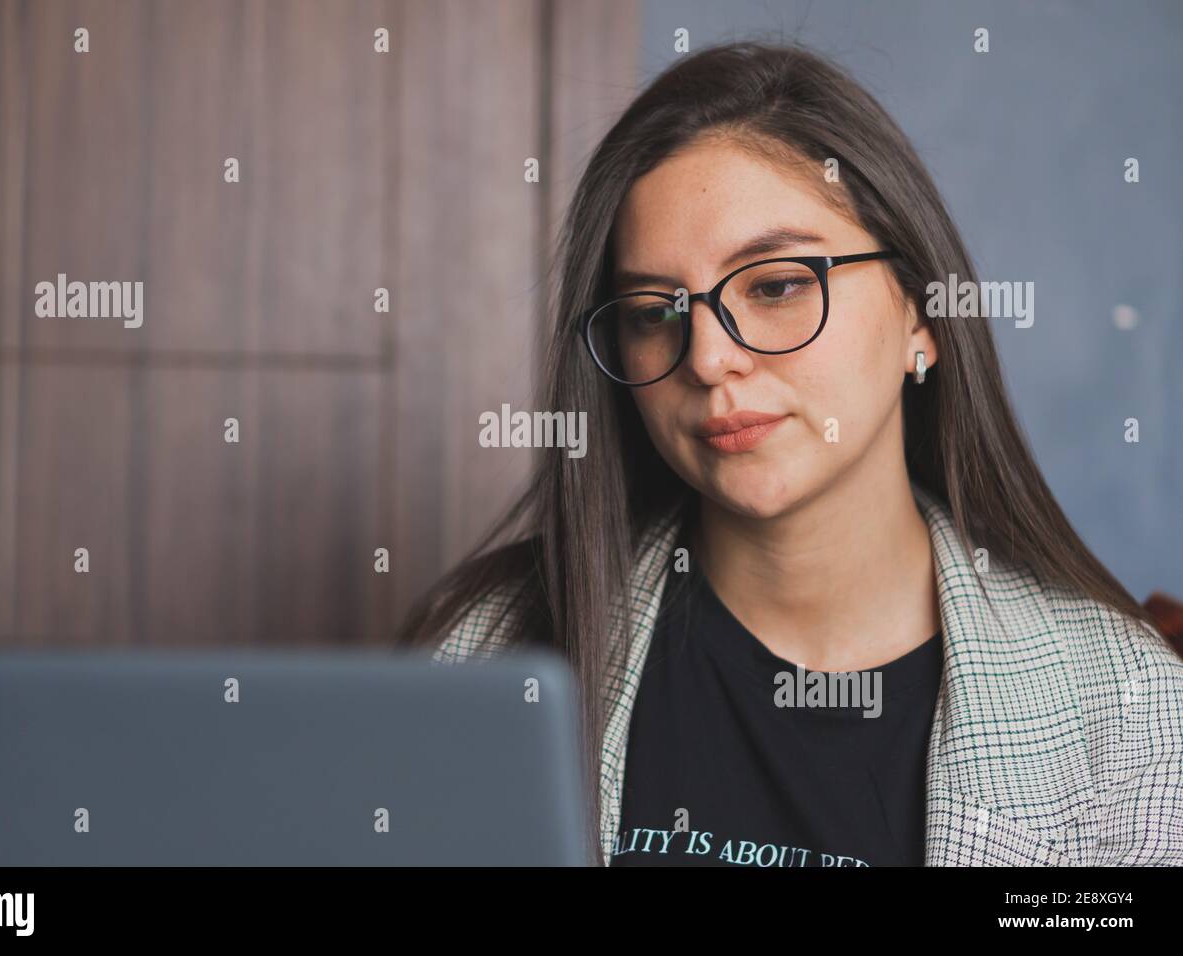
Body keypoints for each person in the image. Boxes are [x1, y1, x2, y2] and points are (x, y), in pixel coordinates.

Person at [396, 40, 1183, 867]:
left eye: (774, 286)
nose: (707, 359)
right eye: (653, 312)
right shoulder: (485, 652)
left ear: (921, 316)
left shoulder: (1127, 718)